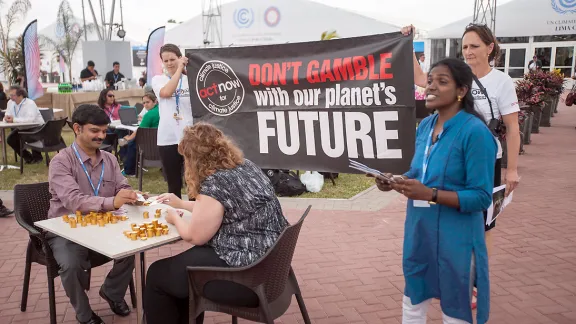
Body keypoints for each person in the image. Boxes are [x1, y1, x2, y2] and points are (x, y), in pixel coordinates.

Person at [373, 58, 496, 324]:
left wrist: (431, 194)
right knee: (413, 300)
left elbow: (482, 197)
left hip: (458, 239)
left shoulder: (475, 133)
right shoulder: (426, 126)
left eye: (442, 82)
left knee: (455, 310)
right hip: (421, 232)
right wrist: (396, 180)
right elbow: (419, 172)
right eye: (429, 81)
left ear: (461, 91)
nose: (431, 87)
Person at [144, 123, 289, 324]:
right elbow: (219, 208)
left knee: (157, 275)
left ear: (193, 158)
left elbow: (195, 236)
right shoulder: (246, 166)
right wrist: (181, 204)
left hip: (246, 276)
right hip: (269, 265)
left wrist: (174, 217)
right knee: (178, 276)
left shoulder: (215, 183)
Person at [404, 23, 520, 255]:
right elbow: (419, 77)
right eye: (465, 46)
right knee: (450, 216)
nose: (468, 51)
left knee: (484, 223)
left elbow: (513, 127)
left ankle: (476, 281)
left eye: (474, 46)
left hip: (485, 160)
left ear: (490, 48)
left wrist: (512, 170)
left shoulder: (501, 82)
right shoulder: (453, 76)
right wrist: (407, 44)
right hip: (450, 157)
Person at [47, 104, 137, 324]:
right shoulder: (61, 161)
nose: (101, 136)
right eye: (95, 131)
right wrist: (111, 202)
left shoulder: (110, 159)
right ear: (77, 129)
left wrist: (129, 194)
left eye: (104, 131)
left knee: (133, 248)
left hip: (102, 223)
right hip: (67, 228)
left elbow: (120, 187)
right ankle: (84, 314)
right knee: (70, 265)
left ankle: (111, 292)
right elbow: (73, 200)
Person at [151, 44, 193, 198]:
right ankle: (176, 215)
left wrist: (184, 72)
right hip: (167, 138)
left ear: (180, 58)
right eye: (165, 60)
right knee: (173, 183)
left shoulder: (190, 80)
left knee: (193, 182)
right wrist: (178, 71)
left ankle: (196, 216)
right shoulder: (158, 79)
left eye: (172, 59)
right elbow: (166, 92)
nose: (169, 63)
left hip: (189, 137)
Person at [120, 92, 160, 176]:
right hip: (159, 141)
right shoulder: (159, 110)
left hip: (149, 145)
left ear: (155, 101)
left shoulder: (149, 115)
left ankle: (129, 171)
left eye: (147, 102)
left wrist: (129, 137)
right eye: (144, 103)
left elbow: (139, 130)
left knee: (130, 143)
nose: (145, 105)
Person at [3, 85, 45, 163]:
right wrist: (6, 118)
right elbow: (7, 114)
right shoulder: (10, 103)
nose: (10, 97)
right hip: (22, 128)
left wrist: (14, 120)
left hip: (36, 127)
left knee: (30, 137)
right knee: (10, 139)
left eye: (13, 95)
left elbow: (30, 120)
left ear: (20, 95)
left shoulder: (30, 103)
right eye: (10, 95)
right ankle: (28, 157)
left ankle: (38, 158)